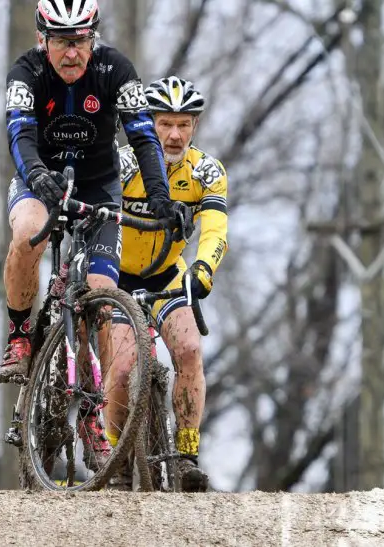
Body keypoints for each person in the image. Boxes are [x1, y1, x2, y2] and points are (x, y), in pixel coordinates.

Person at [0, 0, 188, 469]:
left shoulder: (116, 70)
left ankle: (95, 413)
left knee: (102, 296)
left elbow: (143, 137)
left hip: (100, 186)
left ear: (92, 39)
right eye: (62, 41)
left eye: (80, 41)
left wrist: (162, 196)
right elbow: (19, 132)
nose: (71, 53)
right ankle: (21, 334)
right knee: (27, 235)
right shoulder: (25, 73)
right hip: (39, 178)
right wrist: (37, 173)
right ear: (44, 40)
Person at [105, 76, 229, 491]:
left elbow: (214, 227)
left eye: (184, 124)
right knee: (122, 369)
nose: (175, 135)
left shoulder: (206, 171)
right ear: (148, 123)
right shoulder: (123, 164)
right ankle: (117, 458)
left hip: (167, 272)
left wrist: (203, 269)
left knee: (190, 349)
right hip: (116, 273)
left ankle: (187, 454)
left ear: (195, 126)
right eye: (164, 124)